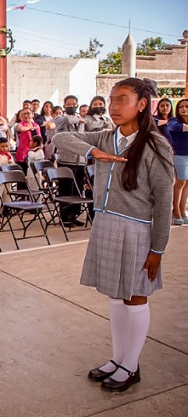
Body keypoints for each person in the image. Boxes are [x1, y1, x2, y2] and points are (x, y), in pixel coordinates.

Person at [52, 77, 174, 393]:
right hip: (105, 224)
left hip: (135, 230)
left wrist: (157, 249)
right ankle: (118, 359)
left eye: (122, 99)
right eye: (111, 99)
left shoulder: (155, 145)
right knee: (115, 295)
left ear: (142, 105)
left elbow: (163, 202)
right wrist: (96, 151)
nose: (114, 106)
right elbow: (60, 137)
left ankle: (131, 365)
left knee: (135, 296)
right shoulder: (108, 137)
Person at [54, 95, 87, 227]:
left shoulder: (80, 120)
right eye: (69, 104)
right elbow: (66, 120)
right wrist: (78, 118)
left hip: (80, 159)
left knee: (78, 189)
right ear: (64, 105)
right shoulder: (60, 118)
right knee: (66, 189)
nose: (72, 106)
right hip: (66, 159)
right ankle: (64, 217)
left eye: (74, 104)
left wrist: (79, 119)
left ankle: (74, 215)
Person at [167, 98, 188, 225]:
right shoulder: (174, 121)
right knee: (180, 182)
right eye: (181, 107)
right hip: (179, 155)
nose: (184, 109)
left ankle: (182, 210)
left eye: (186, 106)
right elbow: (175, 128)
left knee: (186, 184)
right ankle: (175, 211)